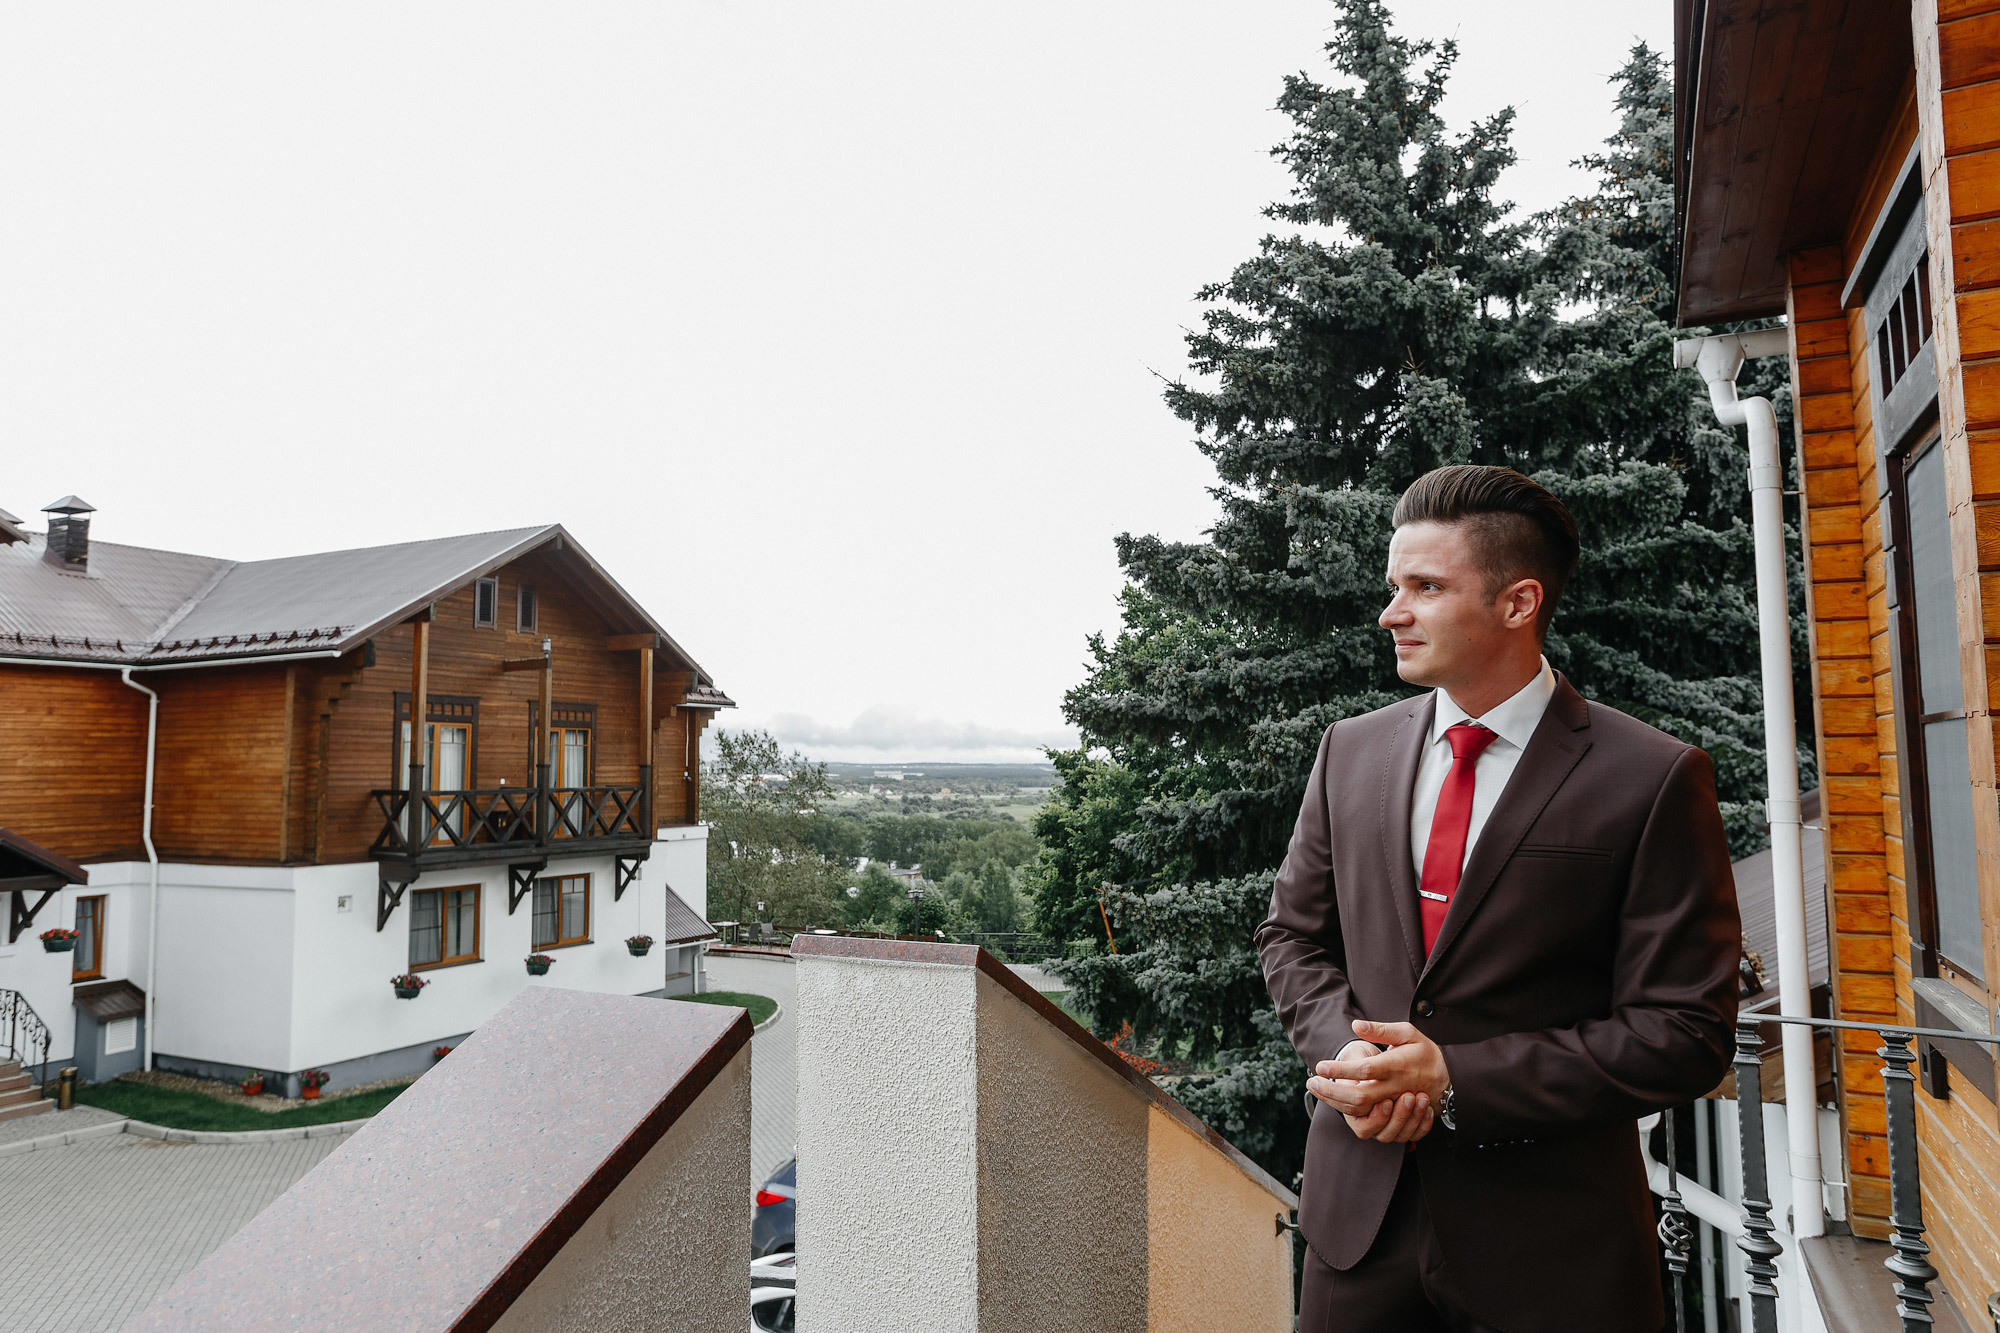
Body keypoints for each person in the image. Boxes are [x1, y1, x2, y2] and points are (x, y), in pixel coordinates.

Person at [1257, 465, 1741, 1333]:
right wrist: (1356, 1065)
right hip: (1358, 1230)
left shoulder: (1654, 777)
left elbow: (1686, 1031)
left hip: (1555, 1250)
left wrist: (1455, 1079)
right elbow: (1292, 936)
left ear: (1518, 603)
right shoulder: (1349, 751)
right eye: (1393, 586)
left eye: (1425, 587)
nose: (1390, 612)